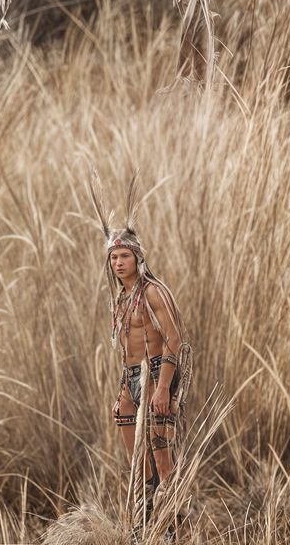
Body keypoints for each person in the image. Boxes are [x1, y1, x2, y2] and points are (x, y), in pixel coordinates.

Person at [105, 226, 188, 534]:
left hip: (156, 376)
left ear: (137, 257)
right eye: (114, 257)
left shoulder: (152, 290)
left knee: (163, 461)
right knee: (139, 465)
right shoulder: (121, 299)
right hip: (131, 380)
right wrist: (121, 395)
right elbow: (126, 351)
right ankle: (145, 529)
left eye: (124, 256)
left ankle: (175, 531)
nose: (119, 263)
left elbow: (174, 338)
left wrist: (165, 386)